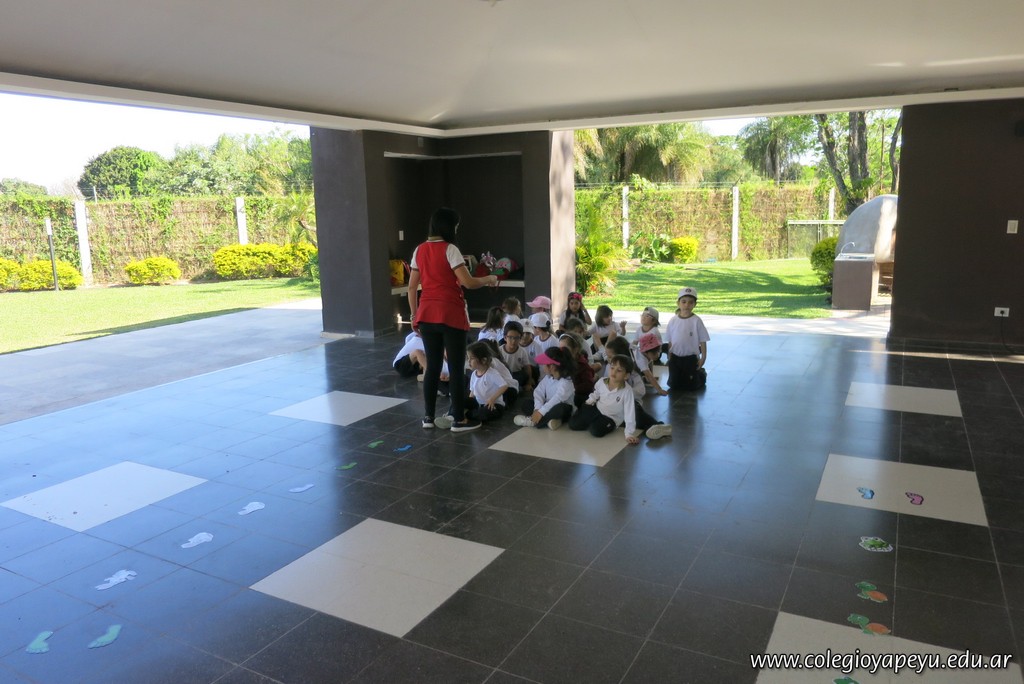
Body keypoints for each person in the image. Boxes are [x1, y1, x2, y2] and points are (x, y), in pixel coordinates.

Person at [407, 207, 499, 432]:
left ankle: (428, 418)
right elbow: (468, 282)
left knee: (432, 367)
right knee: (456, 368)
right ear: (448, 226)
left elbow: (412, 287)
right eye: (456, 226)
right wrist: (489, 278)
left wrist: (414, 315)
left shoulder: (419, 250)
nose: (457, 229)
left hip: (427, 314)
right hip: (450, 314)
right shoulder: (450, 249)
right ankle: (459, 420)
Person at [569, 354, 640, 444]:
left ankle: (597, 423)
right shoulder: (602, 381)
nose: (614, 372)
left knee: (596, 430)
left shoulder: (627, 391)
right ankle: (590, 420)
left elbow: (630, 413)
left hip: (610, 418)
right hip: (597, 410)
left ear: (626, 376)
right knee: (573, 424)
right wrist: (589, 402)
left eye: (619, 370)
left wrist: (629, 434)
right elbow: (596, 394)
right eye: (612, 368)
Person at [514, 347, 575, 430]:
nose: (542, 367)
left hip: (561, 408)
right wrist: (537, 409)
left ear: (552, 366)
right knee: (526, 404)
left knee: (561, 408)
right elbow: (538, 392)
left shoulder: (567, 382)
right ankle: (551, 421)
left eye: (544, 364)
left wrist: (541, 412)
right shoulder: (548, 377)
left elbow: (557, 399)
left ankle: (533, 422)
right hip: (548, 406)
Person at [665, 286, 709, 391]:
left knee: (691, 386)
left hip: (690, 358)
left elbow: (703, 340)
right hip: (675, 357)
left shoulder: (696, 321)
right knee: (673, 384)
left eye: (690, 302)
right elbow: (670, 340)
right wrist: (669, 355)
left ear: (695, 304)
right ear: (678, 303)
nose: (687, 305)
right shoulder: (673, 320)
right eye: (684, 302)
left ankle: (701, 375)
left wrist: (703, 357)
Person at [463, 341, 508, 424]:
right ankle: (454, 415)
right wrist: (469, 402)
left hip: (494, 405)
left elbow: (504, 386)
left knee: (484, 413)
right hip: (479, 404)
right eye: (468, 358)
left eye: (472, 358)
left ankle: (466, 416)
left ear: (483, 360)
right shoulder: (473, 374)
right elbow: (472, 392)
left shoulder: (492, 373)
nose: (469, 361)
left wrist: (492, 399)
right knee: (461, 400)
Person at [557, 331, 596, 408]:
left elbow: (588, 385)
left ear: (575, 349)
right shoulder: (564, 360)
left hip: (579, 396)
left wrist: (572, 388)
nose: (562, 351)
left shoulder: (583, 365)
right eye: (560, 348)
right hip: (566, 392)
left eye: (565, 349)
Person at [498, 320, 533, 391]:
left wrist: (529, 382)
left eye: (517, 338)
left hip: (517, 375)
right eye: (510, 337)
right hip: (504, 375)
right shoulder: (499, 351)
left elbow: (527, 367)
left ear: (520, 338)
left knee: (522, 376)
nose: (513, 341)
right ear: (505, 337)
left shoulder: (522, 351)